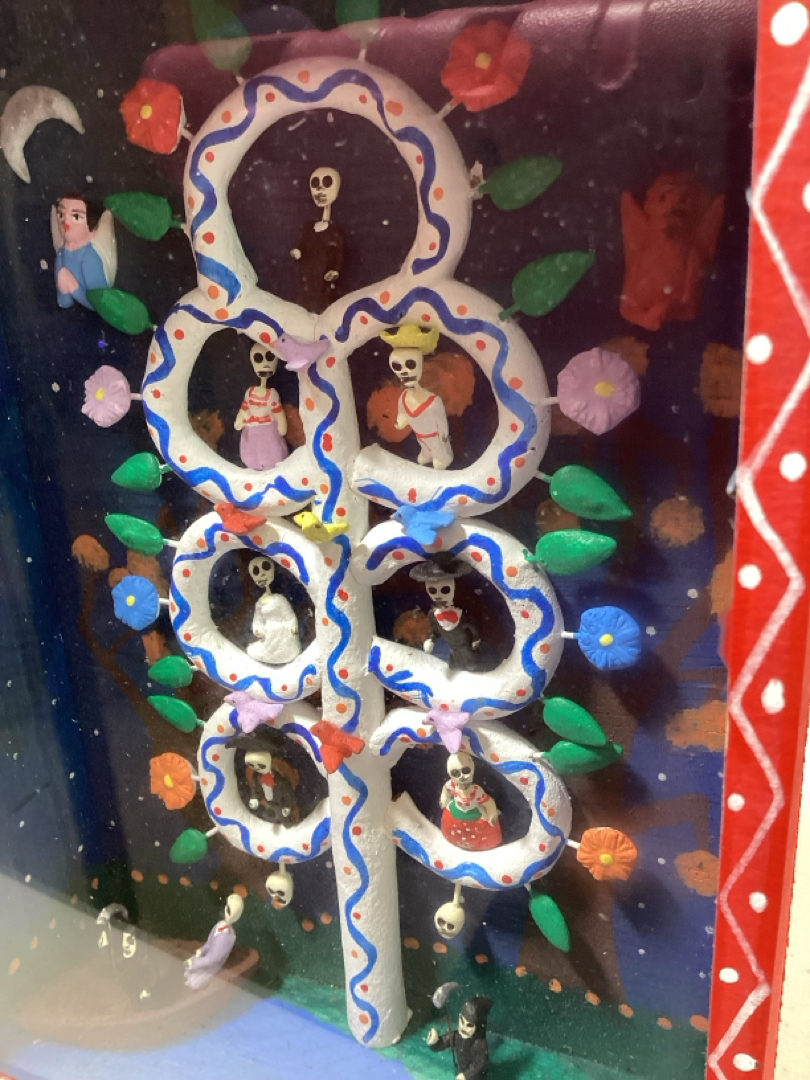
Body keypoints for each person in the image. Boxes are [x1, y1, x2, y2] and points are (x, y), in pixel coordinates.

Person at [52, 193, 115, 309]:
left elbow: (101, 304)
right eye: (61, 215)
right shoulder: (62, 255)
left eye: (76, 217)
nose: (65, 223)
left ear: (93, 228)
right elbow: (64, 302)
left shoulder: (89, 259)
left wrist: (73, 287)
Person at [427, 996, 493, 1080]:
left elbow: (479, 1064)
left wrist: (466, 1075)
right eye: (462, 1021)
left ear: (477, 1027)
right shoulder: (457, 1035)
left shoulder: (480, 1045)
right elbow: (443, 1042)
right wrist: (434, 1042)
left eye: (469, 1025)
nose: (463, 1028)